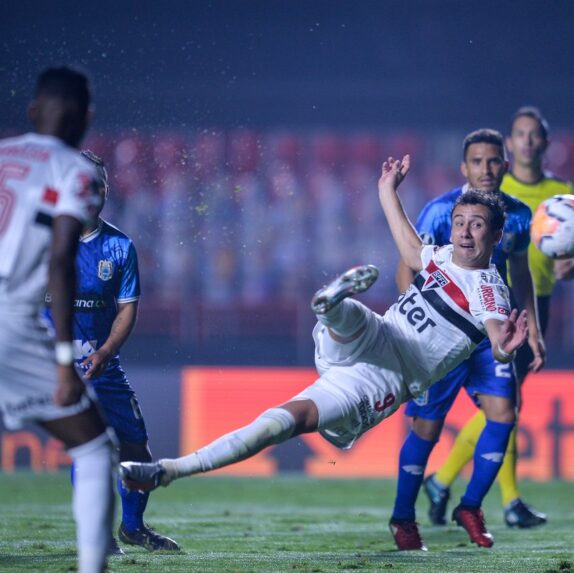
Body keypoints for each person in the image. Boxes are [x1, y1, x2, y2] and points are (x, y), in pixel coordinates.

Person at [119, 156, 530, 544]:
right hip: (380, 334)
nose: (463, 231)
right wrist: (388, 188)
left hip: (385, 378)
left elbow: (495, 334)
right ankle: (331, 306)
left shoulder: (490, 289)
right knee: (351, 312)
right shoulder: (444, 256)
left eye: (476, 225)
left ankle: (168, 470)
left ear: (496, 236)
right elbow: (410, 251)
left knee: (281, 422)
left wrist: (505, 350)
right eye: (459, 222)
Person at [424, 107, 574, 529]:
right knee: (504, 404)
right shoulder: (494, 186)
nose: (528, 141)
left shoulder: (561, 191)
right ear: (509, 144)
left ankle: (442, 482)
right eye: (520, 134)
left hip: (535, 300)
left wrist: (573, 265)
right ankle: (500, 498)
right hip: (492, 307)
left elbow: (568, 250)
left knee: (506, 404)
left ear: (545, 143)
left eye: (535, 134)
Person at [389, 129, 545, 550]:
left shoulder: (518, 214)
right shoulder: (442, 211)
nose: (486, 169)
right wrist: (418, 322)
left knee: (504, 413)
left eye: (494, 161)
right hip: (444, 332)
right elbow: (410, 263)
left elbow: (520, 270)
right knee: (427, 426)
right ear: (465, 167)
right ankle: (403, 518)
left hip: (490, 326)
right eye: (478, 161)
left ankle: (470, 505)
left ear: (505, 166)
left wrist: (534, 328)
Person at [0, 66, 114, 573]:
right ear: (87, 118)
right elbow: (62, 258)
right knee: (92, 447)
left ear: (31, 111)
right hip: (11, 320)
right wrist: (67, 359)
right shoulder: (76, 170)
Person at [45, 150, 179, 552]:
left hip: (103, 367)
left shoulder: (120, 247)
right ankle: (98, 533)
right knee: (91, 448)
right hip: (61, 367)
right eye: (87, 186)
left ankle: (132, 528)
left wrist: (103, 353)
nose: (95, 193)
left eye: (100, 186)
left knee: (137, 449)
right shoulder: (45, 241)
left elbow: (127, 311)